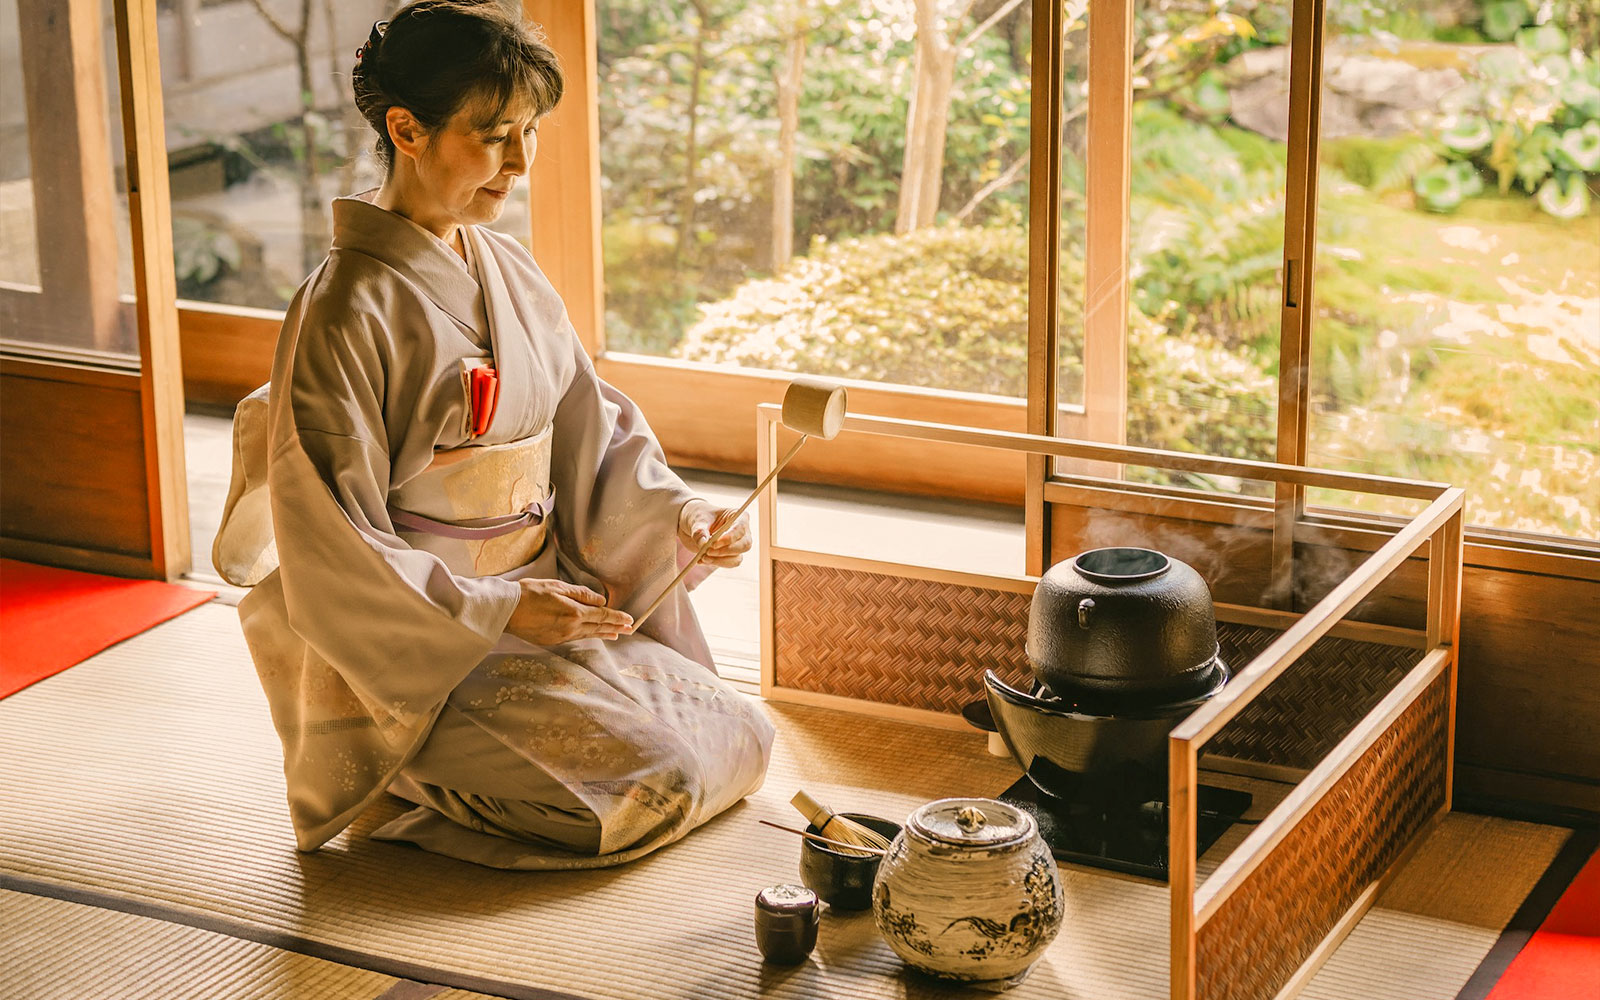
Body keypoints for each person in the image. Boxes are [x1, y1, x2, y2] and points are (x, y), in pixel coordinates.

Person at [212, 0, 773, 870]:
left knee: (740, 733)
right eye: (494, 134)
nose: (520, 162)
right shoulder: (344, 310)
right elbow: (332, 537)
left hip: (547, 604)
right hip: (428, 649)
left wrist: (680, 516)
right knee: (652, 781)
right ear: (407, 129)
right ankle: (402, 774)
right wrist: (500, 609)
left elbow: (592, 424)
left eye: (530, 131)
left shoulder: (503, 264)